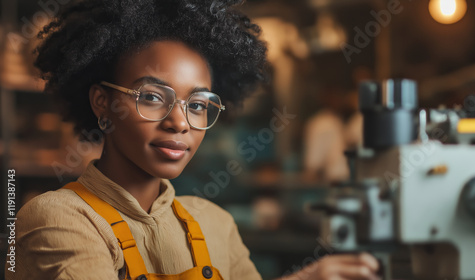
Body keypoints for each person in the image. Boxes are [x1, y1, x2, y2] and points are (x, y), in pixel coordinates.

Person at [5, 0, 380, 279]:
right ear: (102, 102)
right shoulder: (57, 218)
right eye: (152, 97)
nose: (179, 122)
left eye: (198, 104)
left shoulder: (215, 223)